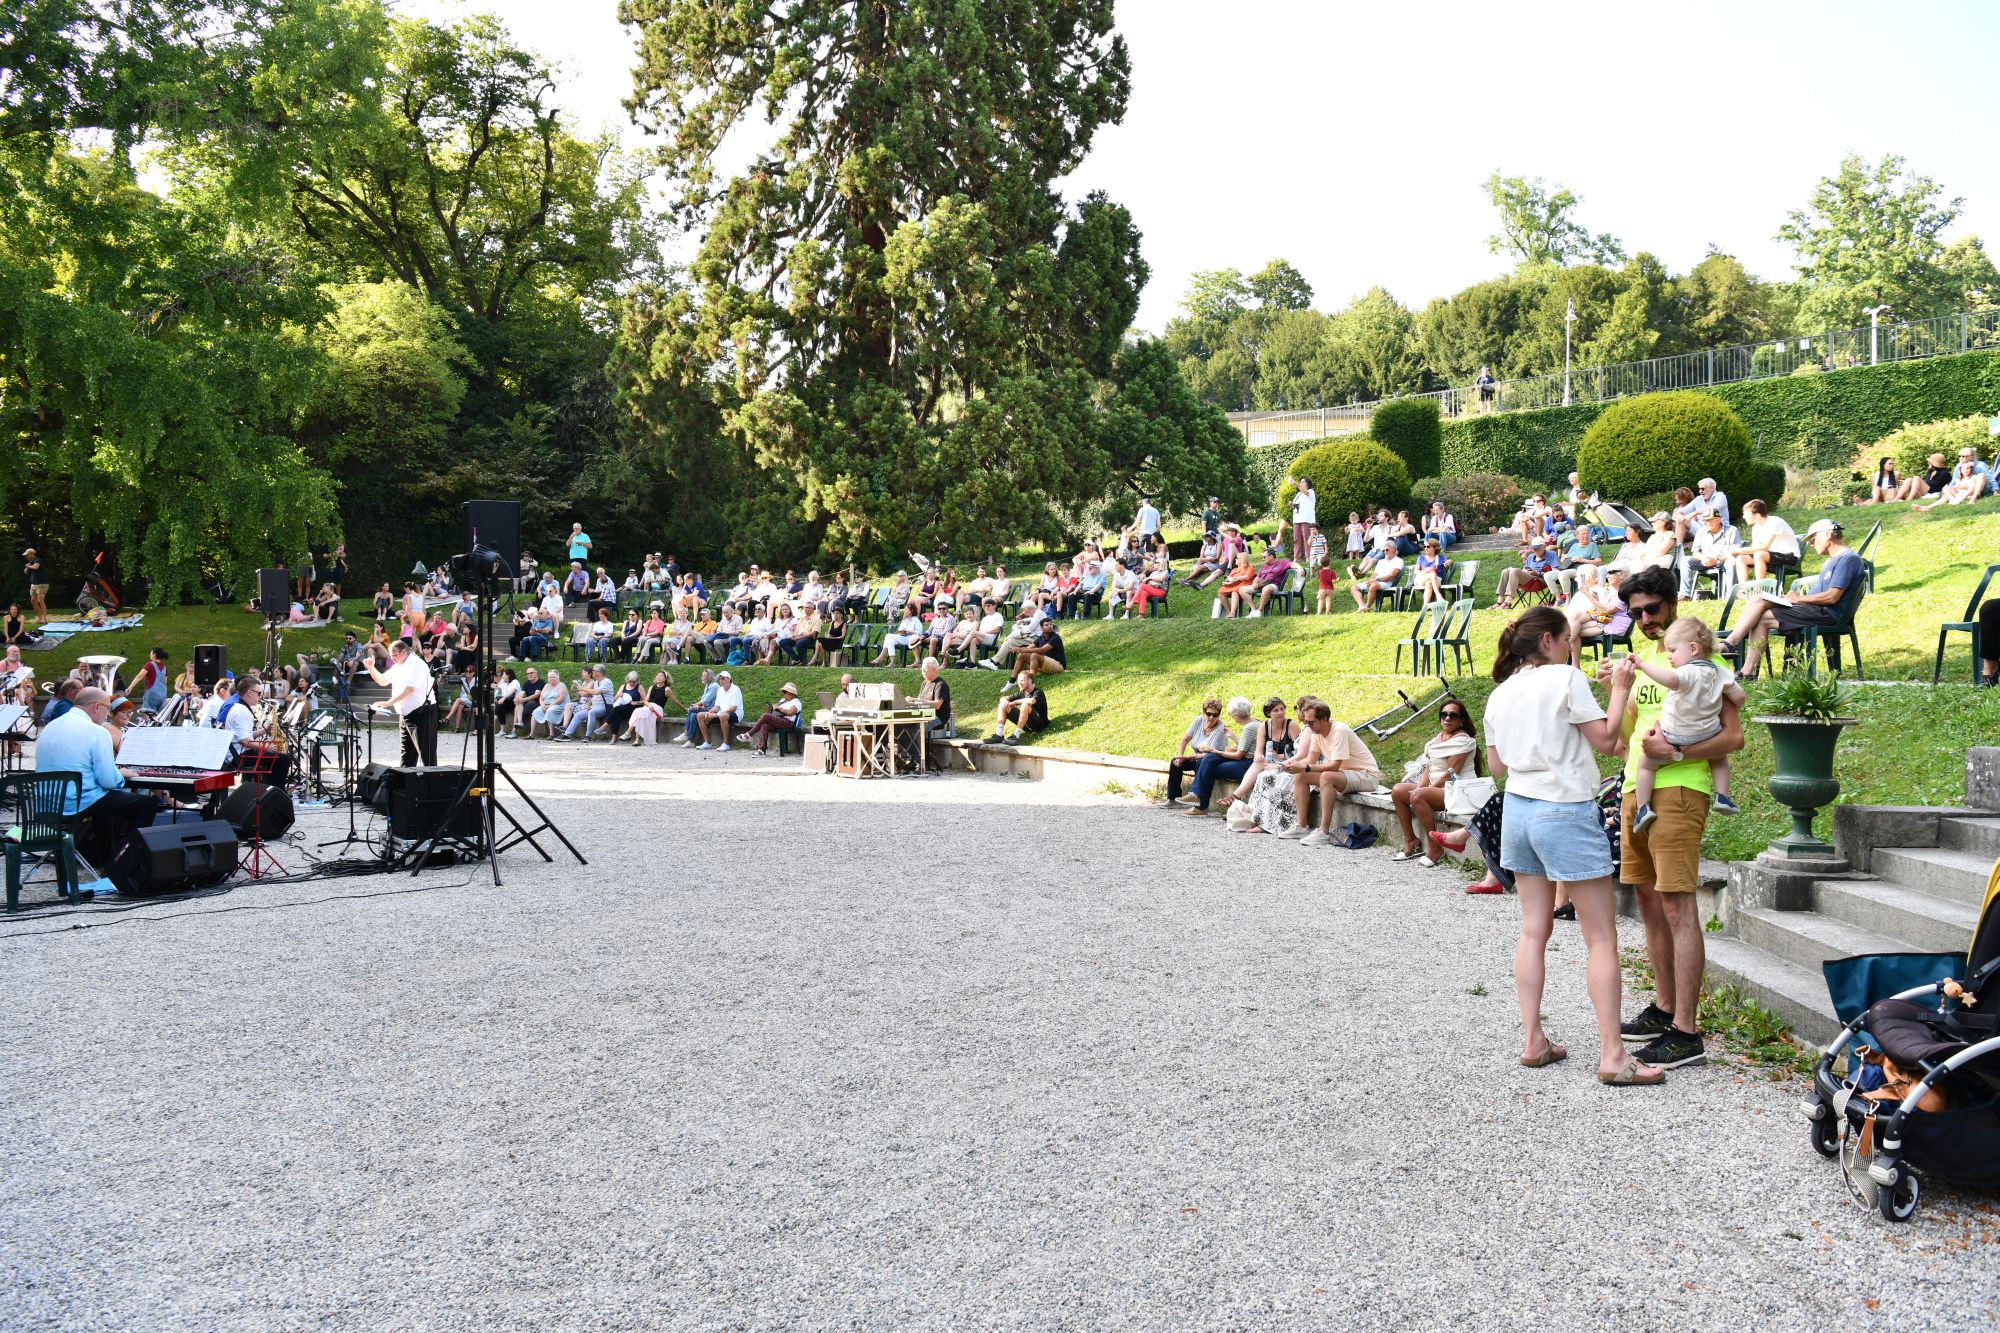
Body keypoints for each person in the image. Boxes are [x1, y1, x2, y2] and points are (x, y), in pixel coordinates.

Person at [1484, 605, 1655, 1084]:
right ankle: (1614, 1057)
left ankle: (1533, 1040)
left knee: (1533, 930)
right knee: (1600, 937)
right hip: (1563, 807)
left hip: (1518, 809)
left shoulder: (1500, 692)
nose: (1568, 649)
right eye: (1566, 641)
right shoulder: (1566, 678)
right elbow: (1606, 739)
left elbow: (1497, 766)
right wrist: (1619, 689)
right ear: (1548, 641)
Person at [1603, 565, 1744, 1071]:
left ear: (1672, 603)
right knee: (1648, 902)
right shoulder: (1645, 664)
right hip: (1635, 790)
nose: (1645, 619)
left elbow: (1733, 737)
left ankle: (1687, 1032)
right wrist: (1616, 689)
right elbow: (1623, 740)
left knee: (1678, 905)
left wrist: (1678, 754)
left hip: (1681, 790)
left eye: (1652, 609)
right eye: (1635, 612)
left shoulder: (1701, 661)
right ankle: (1665, 1009)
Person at [1630, 617, 1744, 834]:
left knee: (1645, 764)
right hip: (1709, 733)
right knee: (1719, 758)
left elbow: (1671, 680)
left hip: (1675, 734)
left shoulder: (1687, 671)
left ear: (1693, 648)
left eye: (1673, 650)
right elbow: (1739, 698)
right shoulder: (1720, 672)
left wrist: (1643, 665)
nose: (1669, 656)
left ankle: (1643, 808)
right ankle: (1722, 796)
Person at [1721, 518, 1865, 680]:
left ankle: (1733, 648)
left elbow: (1832, 597)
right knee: (1759, 601)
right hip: (1817, 610)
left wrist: (1798, 599)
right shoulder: (1834, 561)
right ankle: (1745, 668)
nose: (1811, 544)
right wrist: (1787, 599)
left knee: (1761, 607)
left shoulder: (1848, 559)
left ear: (1827, 535)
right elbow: (1820, 595)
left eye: (1813, 539)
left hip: (1828, 614)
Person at [37, 687, 159, 861]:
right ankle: (123, 860)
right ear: (96, 707)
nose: (107, 713)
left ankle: (105, 858)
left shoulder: (50, 727)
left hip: (46, 804)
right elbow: (108, 781)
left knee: (104, 803)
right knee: (147, 804)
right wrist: (119, 774)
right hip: (75, 803)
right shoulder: (97, 731)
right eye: (107, 708)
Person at [1280, 700, 1382, 848]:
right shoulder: (1316, 732)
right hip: (1345, 774)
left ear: (1324, 719)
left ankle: (1323, 832)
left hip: (1367, 776)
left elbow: (1334, 765)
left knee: (1326, 776)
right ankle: (1301, 826)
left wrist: (1305, 767)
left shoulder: (1339, 731)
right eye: (1306, 722)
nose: (1308, 726)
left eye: (1311, 722)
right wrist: (1295, 766)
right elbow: (1310, 760)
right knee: (1301, 776)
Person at [1388, 701, 1477, 863]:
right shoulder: (1437, 739)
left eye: (1453, 715)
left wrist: (1423, 791)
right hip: (1437, 788)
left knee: (1418, 796)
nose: (1447, 718)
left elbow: (1451, 774)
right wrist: (1420, 787)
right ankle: (1411, 840)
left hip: (1457, 790)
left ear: (1461, 720)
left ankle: (1436, 848)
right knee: (1398, 791)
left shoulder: (1463, 740)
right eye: (1444, 714)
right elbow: (1429, 769)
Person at [1182, 698, 1259, 817]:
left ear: (1236, 714)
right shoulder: (1255, 722)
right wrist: (1232, 736)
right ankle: (1196, 796)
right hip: (1247, 760)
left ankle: (1200, 805)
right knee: (1209, 758)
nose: (1232, 717)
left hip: (1247, 765)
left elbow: (1239, 755)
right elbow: (1246, 747)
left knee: (1209, 767)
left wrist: (1215, 751)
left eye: (1231, 714)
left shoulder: (1248, 728)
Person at [366, 639, 436, 766]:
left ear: (404, 652)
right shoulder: (397, 666)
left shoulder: (417, 664)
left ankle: (432, 778)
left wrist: (388, 703)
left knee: (426, 753)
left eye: (394, 655)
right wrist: (371, 668)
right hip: (405, 714)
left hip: (421, 711)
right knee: (406, 753)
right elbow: (382, 681)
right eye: (391, 655)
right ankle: (405, 778)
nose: (392, 658)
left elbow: (410, 689)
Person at [1162, 700, 1233, 808]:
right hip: (1196, 756)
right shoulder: (1198, 721)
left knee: (1201, 763)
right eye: (1208, 714)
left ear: (1218, 715)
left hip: (1212, 757)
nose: (1211, 717)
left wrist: (1187, 757)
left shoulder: (1220, 728)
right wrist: (1180, 756)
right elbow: (1185, 739)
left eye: (1215, 715)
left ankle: (1197, 801)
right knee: (1175, 763)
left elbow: (1210, 754)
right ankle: (1173, 799)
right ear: (1204, 713)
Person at [1727, 498, 1800, 585]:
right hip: (1770, 555)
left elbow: (1765, 547)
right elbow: (1754, 548)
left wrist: (1738, 550)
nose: (1744, 517)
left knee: (1759, 555)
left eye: (1746, 514)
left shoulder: (1775, 522)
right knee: (1741, 558)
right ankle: (1743, 589)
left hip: (1789, 556)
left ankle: (1759, 588)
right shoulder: (1756, 527)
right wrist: (1737, 552)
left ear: (1757, 515)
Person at [1679, 509, 1739, 599]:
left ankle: (1731, 595)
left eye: (1708, 520)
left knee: (1732, 562)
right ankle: (1685, 595)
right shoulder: (1701, 531)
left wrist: (1716, 560)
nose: (1705, 523)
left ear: (1718, 519)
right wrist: (1703, 558)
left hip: (1724, 561)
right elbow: (1695, 552)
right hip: (1705, 561)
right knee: (1685, 560)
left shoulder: (1732, 530)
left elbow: (1734, 552)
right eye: (1704, 520)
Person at [986, 670, 1048, 746]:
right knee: (1002, 705)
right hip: (1027, 725)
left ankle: (1016, 736)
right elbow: (1003, 698)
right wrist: (1005, 702)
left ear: (1030, 681)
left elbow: (1031, 701)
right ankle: (998, 735)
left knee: (1025, 704)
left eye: (1022, 680)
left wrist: (1015, 702)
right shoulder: (1022, 693)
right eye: (1018, 681)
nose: (1019, 683)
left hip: (1039, 725)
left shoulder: (1038, 692)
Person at [746, 682, 804, 756]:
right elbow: (777, 710)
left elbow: (790, 712)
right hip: (780, 720)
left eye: (785, 692)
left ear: (791, 693)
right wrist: (772, 708)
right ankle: (761, 750)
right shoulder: (783, 700)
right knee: (764, 725)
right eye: (783, 692)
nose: (783, 694)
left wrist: (779, 708)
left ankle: (749, 734)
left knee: (765, 715)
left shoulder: (796, 702)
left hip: (789, 722)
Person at [695, 670, 745, 750]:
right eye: (720, 679)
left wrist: (717, 714)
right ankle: (707, 742)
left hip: (735, 714)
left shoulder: (735, 689)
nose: (721, 681)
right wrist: (709, 712)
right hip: (721, 714)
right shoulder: (720, 690)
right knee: (700, 715)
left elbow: (733, 708)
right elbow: (717, 706)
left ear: (729, 679)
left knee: (722, 715)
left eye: (723, 678)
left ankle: (726, 744)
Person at [913, 657, 953, 742]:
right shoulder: (924, 683)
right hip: (924, 715)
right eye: (922, 668)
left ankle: (917, 751)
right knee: (905, 725)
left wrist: (917, 700)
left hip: (938, 717)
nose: (923, 670)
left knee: (917, 729)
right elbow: (919, 701)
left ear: (934, 669)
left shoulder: (940, 684)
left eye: (925, 668)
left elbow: (937, 705)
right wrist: (910, 702)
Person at [1289, 476, 1316, 563]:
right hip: (1297, 518)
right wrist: (1292, 504)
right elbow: (1297, 506)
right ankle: (1296, 557)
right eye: (1300, 482)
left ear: (1308, 484)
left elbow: (1305, 492)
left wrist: (1295, 483)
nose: (1301, 483)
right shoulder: (1298, 494)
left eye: (1303, 482)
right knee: (1296, 539)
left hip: (1306, 519)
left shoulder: (1310, 491)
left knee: (1307, 537)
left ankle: (1308, 557)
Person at [23, 548, 49, 622]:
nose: (26, 556)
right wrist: (26, 568)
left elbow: (36, 567)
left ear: (32, 554)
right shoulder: (30, 562)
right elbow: (25, 572)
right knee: (33, 602)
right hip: (33, 585)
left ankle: (44, 619)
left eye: (27, 555)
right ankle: (39, 618)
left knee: (40, 601)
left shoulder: (38, 560)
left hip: (42, 584)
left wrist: (28, 566)